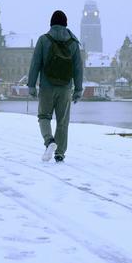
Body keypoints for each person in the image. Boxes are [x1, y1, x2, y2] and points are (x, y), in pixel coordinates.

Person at [27, 10, 83, 163]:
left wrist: (31, 85)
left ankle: (49, 141)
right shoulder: (73, 43)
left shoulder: (44, 40)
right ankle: (60, 153)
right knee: (62, 121)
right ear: (66, 24)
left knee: (44, 117)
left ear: (51, 24)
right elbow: (78, 68)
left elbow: (35, 65)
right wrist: (78, 89)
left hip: (46, 87)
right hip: (65, 88)